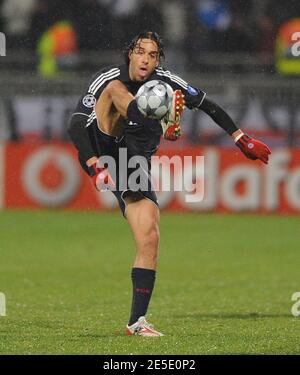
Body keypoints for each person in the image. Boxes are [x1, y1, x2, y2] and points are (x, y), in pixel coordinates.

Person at [68, 31, 271, 337]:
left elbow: (207, 104)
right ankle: (157, 119)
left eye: (152, 54)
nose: (145, 59)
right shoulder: (109, 77)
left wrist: (240, 137)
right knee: (116, 91)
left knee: (150, 236)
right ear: (129, 55)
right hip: (103, 146)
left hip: (132, 161)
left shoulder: (166, 80)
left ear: (158, 59)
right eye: (140, 52)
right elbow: (74, 124)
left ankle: (136, 323)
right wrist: (94, 165)